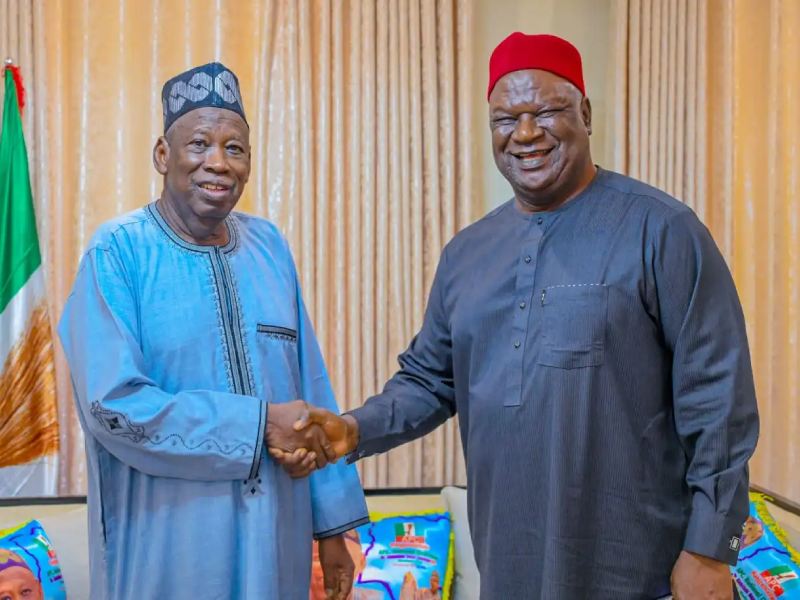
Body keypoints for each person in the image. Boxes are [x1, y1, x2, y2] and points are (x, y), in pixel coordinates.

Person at [274, 33, 759, 599]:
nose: (526, 133)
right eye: (506, 118)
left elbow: (719, 399)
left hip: (638, 574)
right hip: (509, 569)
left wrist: (708, 548)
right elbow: (430, 381)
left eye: (548, 111)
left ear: (586, 114)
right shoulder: (467, 254)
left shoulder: (662, 230)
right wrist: (354, 429)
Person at [58, 62, 368, 599]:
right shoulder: (118, 252)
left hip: (277, 539)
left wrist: (334, 525)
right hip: (168, 546)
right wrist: (255, 426)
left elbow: (311, 390)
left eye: (236, 148)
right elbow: (113, 406)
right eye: (199, 143)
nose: (218, 164)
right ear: (162, 155)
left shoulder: (269, 247)